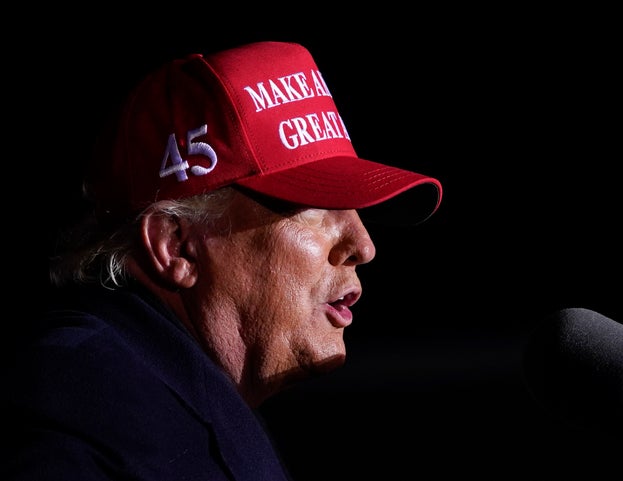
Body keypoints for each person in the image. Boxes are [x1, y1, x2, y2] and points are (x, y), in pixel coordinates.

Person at [3, 41, 442, 480]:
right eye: (311, 205)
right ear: (176, 245)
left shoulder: (144, 402)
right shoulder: (82, 414)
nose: (363, 245)